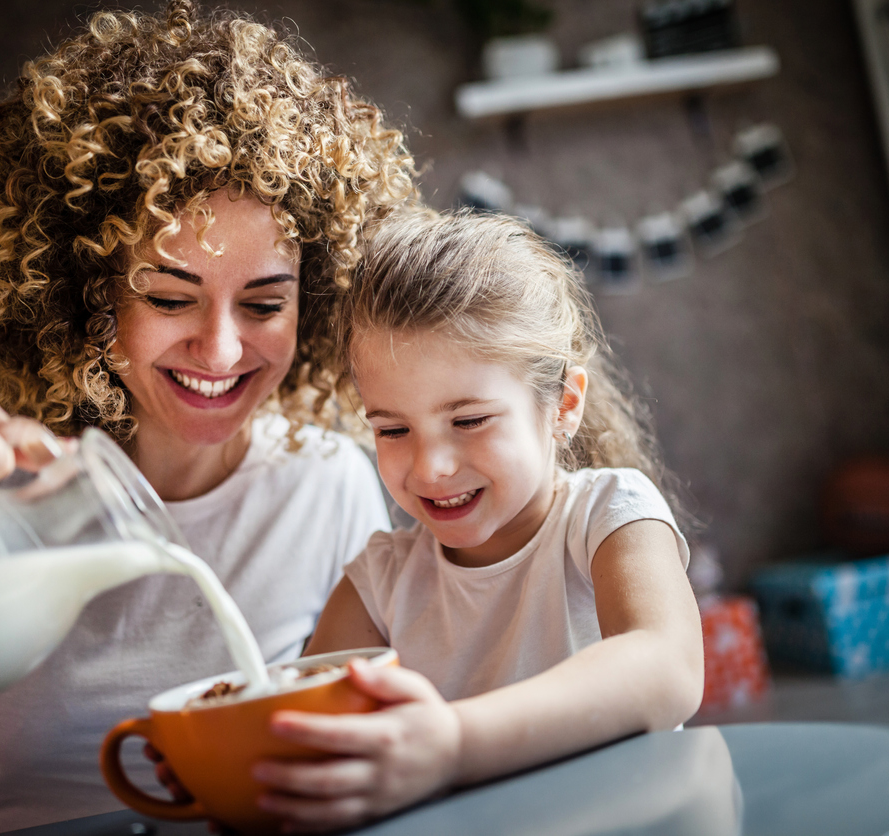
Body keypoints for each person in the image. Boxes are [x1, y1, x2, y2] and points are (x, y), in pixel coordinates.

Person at [0, 2, 416, 833]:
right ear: (92, 297)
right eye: (170, 297)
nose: (219, 350)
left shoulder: (326, 482)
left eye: (264, 303)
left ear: (312, 303)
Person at [252, 209, 705, 831]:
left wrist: (455, 744)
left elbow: (667, 667)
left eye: (469, 421)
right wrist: (230, 760)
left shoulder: (610, 517)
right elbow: (304, 724)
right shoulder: (381, 580)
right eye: (392, 429)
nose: (431, 467)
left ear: (562, 405)